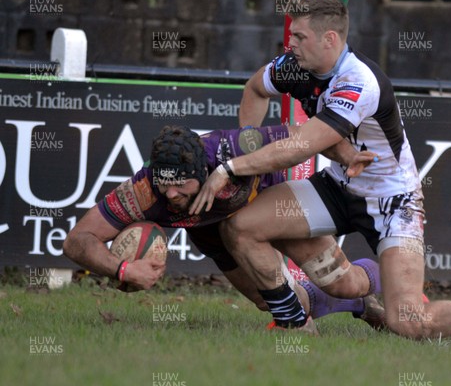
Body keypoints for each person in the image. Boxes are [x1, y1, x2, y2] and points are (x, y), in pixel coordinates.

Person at [190, 0, 451, 341]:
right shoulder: (294, 66)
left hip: (393, 202)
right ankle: (295, 323)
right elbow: (254, 88)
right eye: (291, 35)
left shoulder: (358, 81)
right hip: (339, 186)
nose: (289, 43)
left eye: (299, 36)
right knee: (243, 227)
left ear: (330, 38)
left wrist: (231, 168)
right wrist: (248, 138)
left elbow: (300, 147)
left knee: (410, 322)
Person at [63, 124, 386, 333]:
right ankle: (351, 307)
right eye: (165, 187)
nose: (171, 195)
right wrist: (122, 270)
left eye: (180, 186)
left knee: (346, 283)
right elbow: (77, 240)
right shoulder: (145, 192)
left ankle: (393, 278)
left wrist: (348, 154)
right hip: (218, 236)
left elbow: (307, 136)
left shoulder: (230, 147)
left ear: (203, 171)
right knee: (272, 300)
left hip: (276, 209)